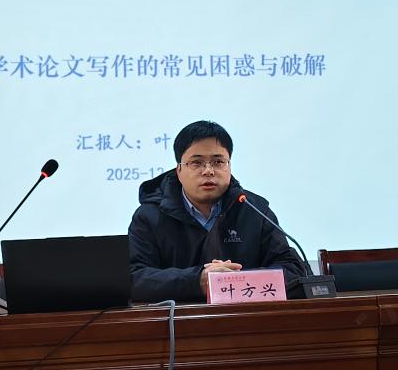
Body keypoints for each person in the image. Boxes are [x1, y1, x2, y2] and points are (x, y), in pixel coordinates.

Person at [128, 120, 306, 303]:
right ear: (179, 170)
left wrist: (235, 281)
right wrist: (196, 280)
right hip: (177, 318)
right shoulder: (149, 216)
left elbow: (293, 270)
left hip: (245, 316)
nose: (208, 171)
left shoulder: (254, 210)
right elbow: (133, 278)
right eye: (196, 162)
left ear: (229, 166)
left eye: (218, 162)